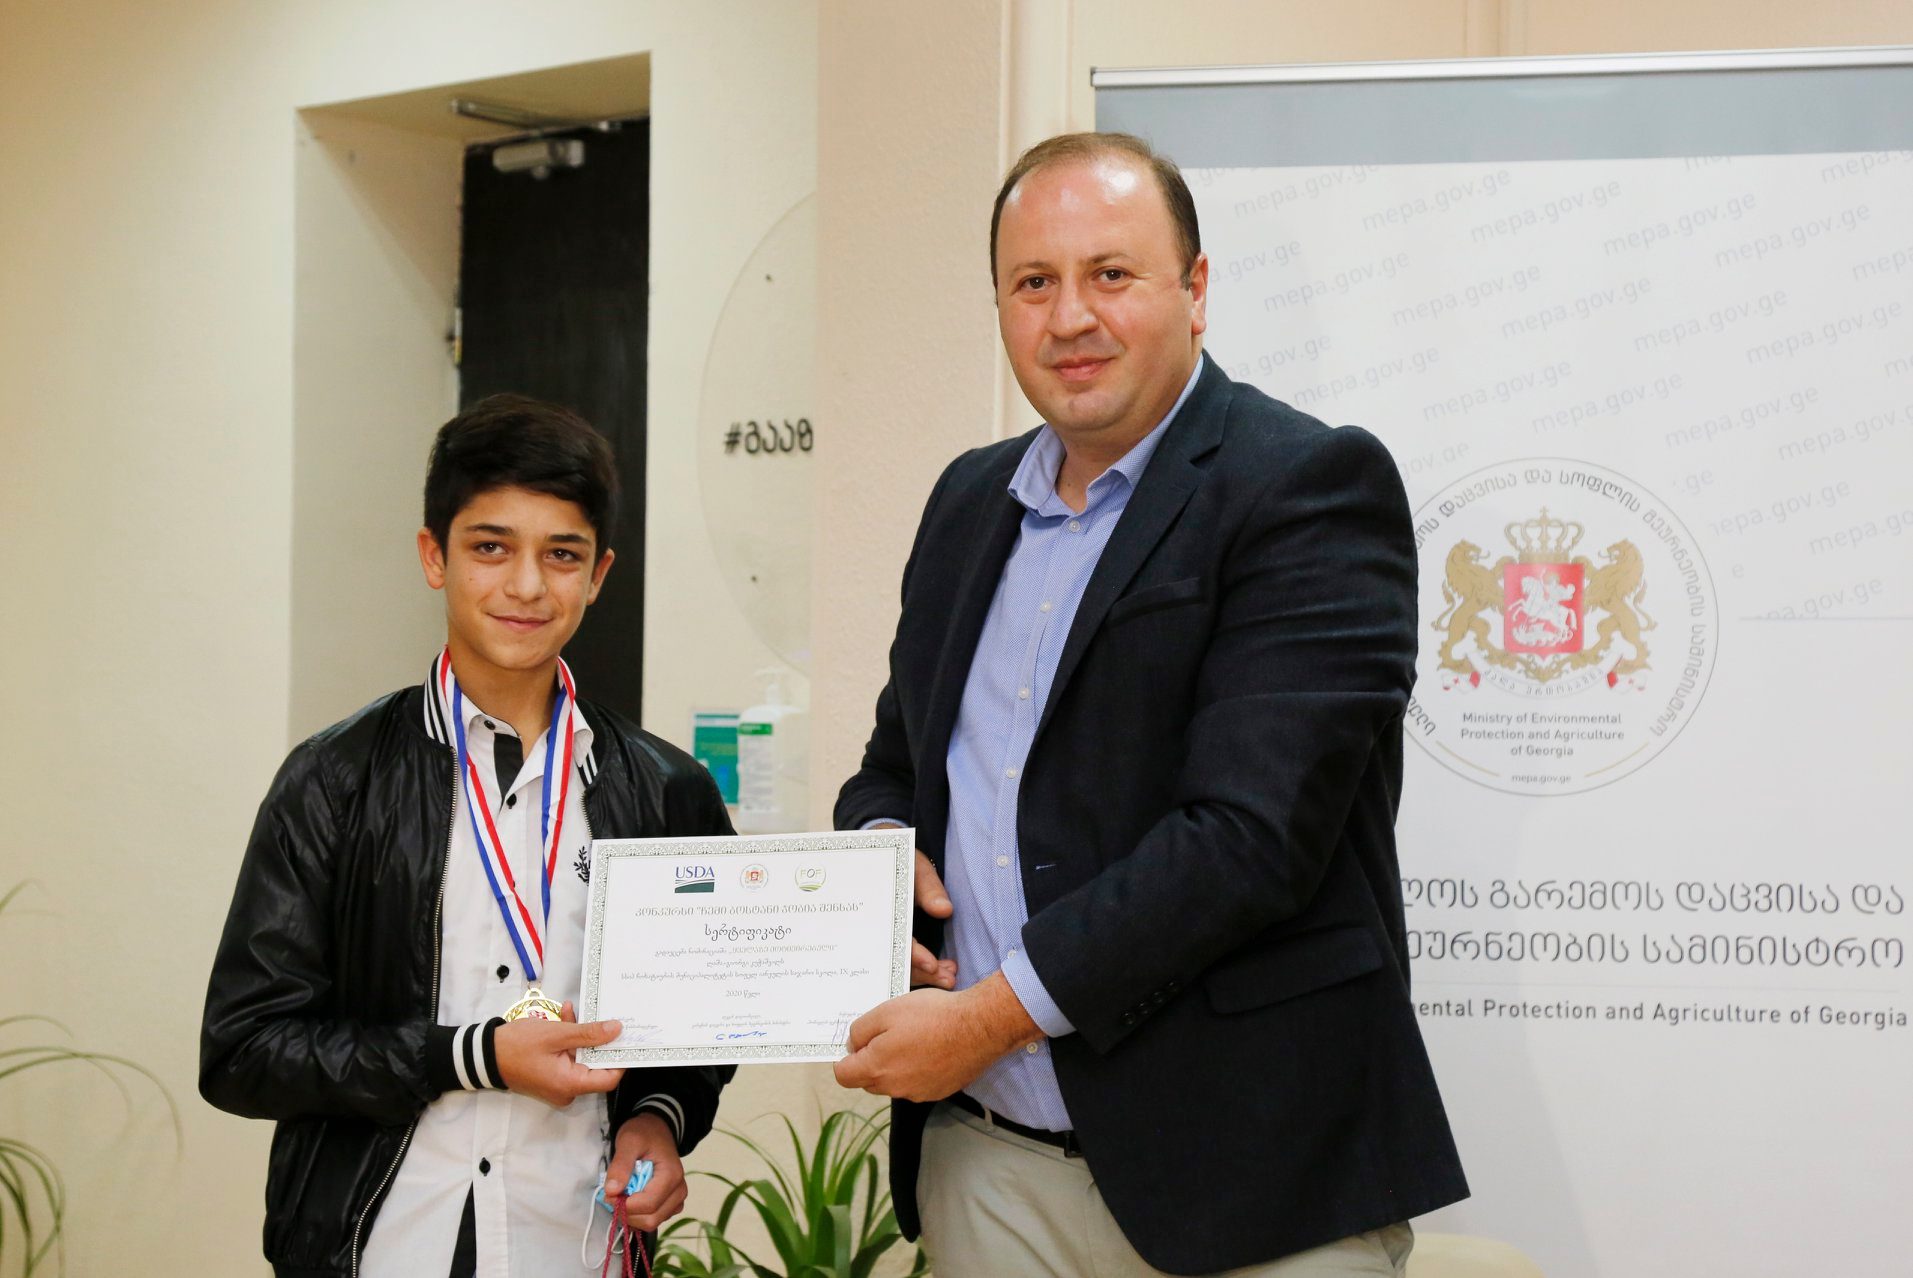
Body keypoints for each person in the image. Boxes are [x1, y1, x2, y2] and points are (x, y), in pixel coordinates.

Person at [832, 132, 1467, 1277]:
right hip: (989, 1166)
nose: (1069, 317)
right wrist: (883, 852)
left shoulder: (1307, 486)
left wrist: (981, 1020)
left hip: (1254, 1176)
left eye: (1109, 274)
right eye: (1033, 282)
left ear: (1196, 288)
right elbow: (897, 762)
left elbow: (1249, 839)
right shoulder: (966, 501)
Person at [201, 395, 734, 1277]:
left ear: (598, 574)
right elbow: (244, 1051)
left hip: (578, 1237)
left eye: (560, 554)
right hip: (378, 1241)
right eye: (490, 547)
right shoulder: (334, 779)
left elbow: (699, 1028)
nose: (526, 586)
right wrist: (472, 1054)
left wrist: (658, 1119)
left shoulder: (666, 790)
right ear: (432, 556)